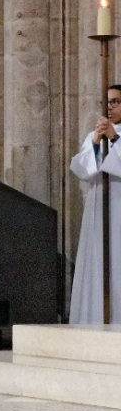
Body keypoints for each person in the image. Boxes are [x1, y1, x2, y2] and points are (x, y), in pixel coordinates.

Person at [69, 85, 121, 323]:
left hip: (118, 206)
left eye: (116, 101)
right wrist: (96, 142)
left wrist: (115, 138)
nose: (110, 107)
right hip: (99, 206)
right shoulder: (94, 135)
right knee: (98, 264)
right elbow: (81, 169)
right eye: (108, 102)